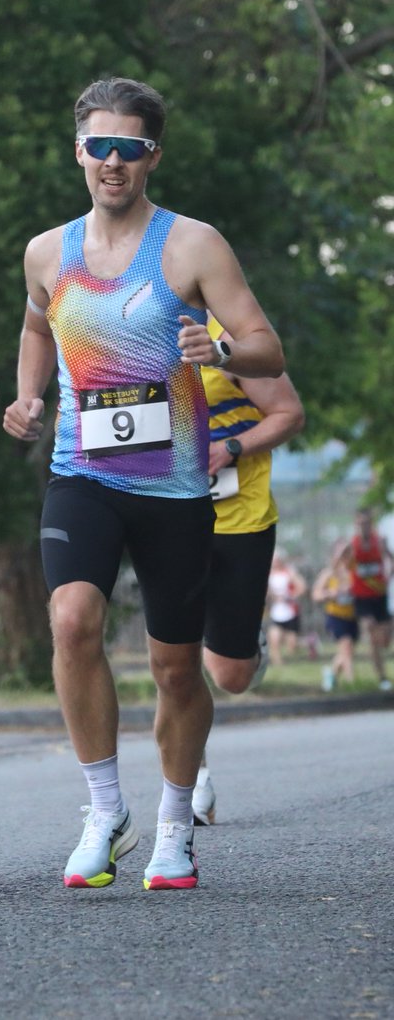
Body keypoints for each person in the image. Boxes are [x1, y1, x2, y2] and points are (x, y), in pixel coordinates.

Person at [2, 76, 284, 891]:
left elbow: (267, 346)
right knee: (72, 616)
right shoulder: (47, 252)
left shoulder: (193, 246)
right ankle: (103, 808)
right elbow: (33, 322)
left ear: (152, 156)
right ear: (79, 151)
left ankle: (171, 826)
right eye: (100, 147)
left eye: (130, 148)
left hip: (175, 488)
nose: (113, 163)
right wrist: (28, 395)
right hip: (83, 473)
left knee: (173, 667)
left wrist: (221, 353)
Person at [191, 316, 305, 825]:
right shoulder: (122, 331)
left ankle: (246, 639)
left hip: (240, 516)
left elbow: (288, 414)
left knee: (231, 675)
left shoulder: (225, 335)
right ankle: (192, 775)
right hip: (165, 511)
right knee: (174, 650)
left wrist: (230, 446)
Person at [344, 507, 392, 690]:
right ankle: (382, 677)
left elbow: (390, 559)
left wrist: (388, 578)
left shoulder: (379, 542)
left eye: (367, 523)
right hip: (362, 597)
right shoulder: (352, 544)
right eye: (360, 523)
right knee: (371, 631)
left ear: (371, 524)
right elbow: (340, 563)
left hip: (379, 595)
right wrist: (346, 578)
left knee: (385, 639)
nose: (364, 526)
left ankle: (379, 649)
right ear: (356, 524)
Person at [312, 539, 359, 691]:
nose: (346, 556)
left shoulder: (355, 572)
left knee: (348, 651)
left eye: (348, 552)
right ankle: (352, 684)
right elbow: (316, 594)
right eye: (342, 553)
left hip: (352, 615)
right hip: (335, 616)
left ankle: (330, 673)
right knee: (346, 648)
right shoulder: (329, 573)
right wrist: (330, 593)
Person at [265, 548, 308, 669]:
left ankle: (309, 643)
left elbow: (302, 588)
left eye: (277, 560)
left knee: (292, 645)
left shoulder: (289, 572)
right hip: (276, 612)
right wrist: (272, 597)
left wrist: (290, 597)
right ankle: (279, 665)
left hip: (290, 612)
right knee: (274, 639)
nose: (275, 562)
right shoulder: (268, 573)